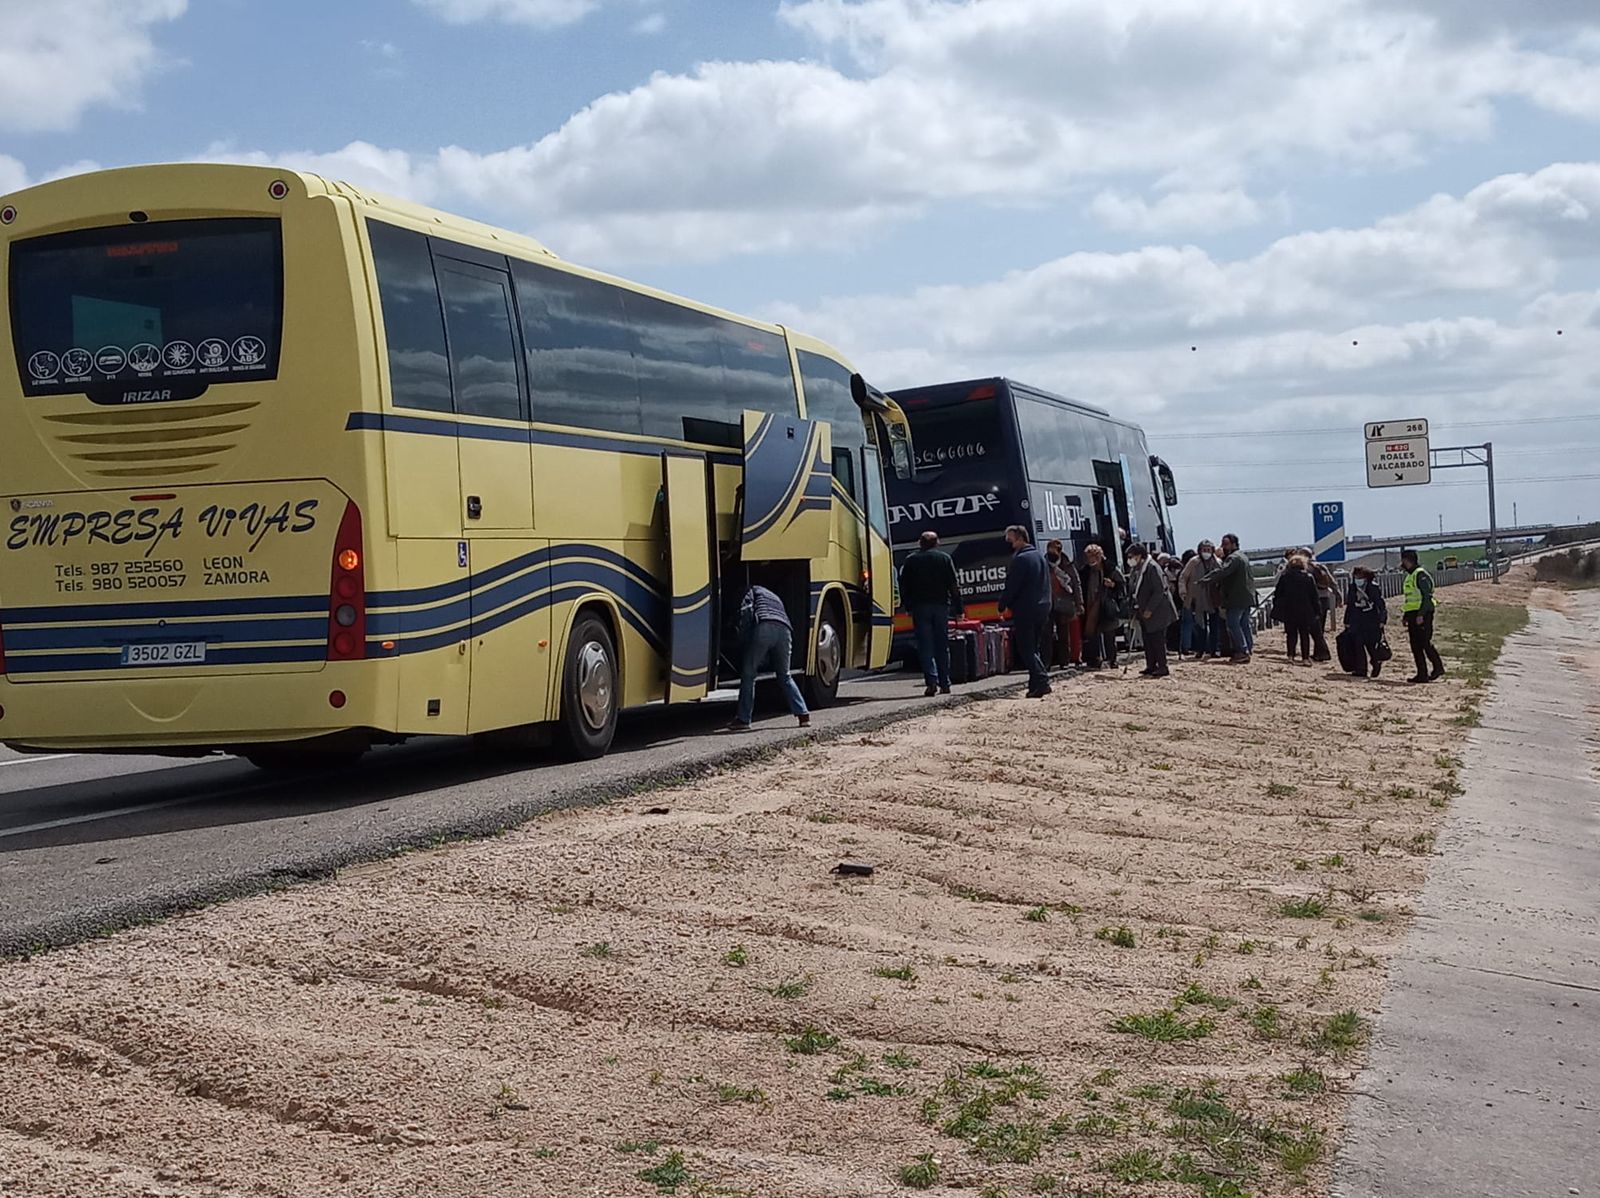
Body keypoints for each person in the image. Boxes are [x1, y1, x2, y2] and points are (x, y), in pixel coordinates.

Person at [726, 583, 810, 731]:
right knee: (785, 675)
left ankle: (743, 719)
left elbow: (746, 612)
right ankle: (803, 715)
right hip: (785, 630)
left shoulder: (751, 591)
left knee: (748, 674)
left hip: (764, 627)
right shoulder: (774, 596)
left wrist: (741, 638)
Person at [898, 529, 965, 696]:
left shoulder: (911, 560)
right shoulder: (944, 558)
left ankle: (931, 682)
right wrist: (959, 609)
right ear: (937, 543)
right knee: (942, 645)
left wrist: (908, 607)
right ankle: (945, 683)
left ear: (920, 543)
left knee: (925, 646)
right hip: (941, 606)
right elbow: (953, 586)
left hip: (920, 608)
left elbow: (904, 586)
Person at [998, 524, 1053, 698]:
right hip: (1043, 606)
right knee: (1034, 646)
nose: (1009, 543)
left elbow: (1012, 585)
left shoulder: (1021, 559)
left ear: (1021, 538)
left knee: (1026, 648)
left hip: (1026, 608)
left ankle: (1042, 681)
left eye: (1011, 539)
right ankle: (1034, 685)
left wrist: (1002, 604)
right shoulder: (1038, 556)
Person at [1128, 543, 1177, 678]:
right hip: (1143, 610)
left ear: (1139, 556)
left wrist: (1149, 609)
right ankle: (1151, 665)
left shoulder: (1152, 568)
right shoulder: (1138, 569)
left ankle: (1162, 666)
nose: (1130, 559)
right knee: (1147, 638)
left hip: (1157, 610)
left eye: (1132, 556)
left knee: (1157, 638)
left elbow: (1159, 591)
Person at [1400, 548, 1446, 683]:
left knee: (1424, 643)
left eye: (1403, 560)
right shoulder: (1410, 575)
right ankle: (1422, 674)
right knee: (1416, 645)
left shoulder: (1420, 574)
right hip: (1414, 614)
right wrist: (1406, 616)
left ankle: (1437, 668)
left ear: (1407, 560)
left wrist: (1421, 615)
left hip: (1423, 613)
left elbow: (1426, 596)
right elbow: (1410, 599)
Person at [1079, 542, 1125, 670]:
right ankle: (1095, 660)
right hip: (1091, 605)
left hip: (1106, 605)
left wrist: (1113, 585)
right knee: (1092, 634)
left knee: (1109, 634)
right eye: (1089, 557)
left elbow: (1122, 586)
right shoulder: (1085, 571)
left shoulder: (1111, 569)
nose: (1091, 560)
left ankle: (1112, 659)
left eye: (1094, 556)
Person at [1213, 533, 1254, 664]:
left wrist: (1206, 579)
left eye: (1226, 544)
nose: (1223, 547)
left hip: (1236, 598)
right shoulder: (1242, 556)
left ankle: (1242, 651)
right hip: (1246, 596)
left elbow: (1223, 572)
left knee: (1233, 624)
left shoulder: (1233, 558)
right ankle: (1248, 648)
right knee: (1243, 624)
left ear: (1233, 544)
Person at [1271, 555, 1321, 663]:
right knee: (1304, 634)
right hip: (1305, 610)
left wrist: (1277, 608)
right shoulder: (1308, 577)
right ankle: (1305, 658)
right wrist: (1317, 611)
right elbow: (1314, 596)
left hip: (1289, 610)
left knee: (1291, 634)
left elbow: (1278, 594)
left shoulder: (1285, 577)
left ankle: (1290, 656)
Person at [1343, 565, 1388, 678]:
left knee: (1371, 645)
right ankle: (1361, 670)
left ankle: (1376, 662)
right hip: (1357, 620)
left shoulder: (1373, 587)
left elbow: (1381, 604)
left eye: (1360, 576)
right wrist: (1346, 620)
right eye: (1356, 576)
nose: (1357, 579)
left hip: (1371, 620)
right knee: (1358, 644)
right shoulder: (1352, 587)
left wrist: (1382, 619)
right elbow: (1350, 605)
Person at [1044, 538, 1082, 668]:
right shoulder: (1043, 564)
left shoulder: (1067, 564)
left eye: (1054, 549)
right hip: (1048, 603)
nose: (1051, 552)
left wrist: (1079, 603)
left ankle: (1064, 661)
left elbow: (1076, 584)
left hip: (1064, 602)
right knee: (1047, 634)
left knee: (1064, 634)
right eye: (1050, 549)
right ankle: (1046, 662)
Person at [1179, 540, 1221, 659]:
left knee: (1214, 625)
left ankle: (1214, 650)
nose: (1206, 552)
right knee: (1200, 625)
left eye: (1208, 550)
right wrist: (1183, 591)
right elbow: (1183, 577)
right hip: (1197, 598)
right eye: (1204, 550)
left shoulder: (1217, 562)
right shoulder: (1193, 562)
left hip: (1213, 598)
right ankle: (1200, 650)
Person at [1306, 551, 1339, 662]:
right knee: (1320, 627)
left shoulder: (1306, 568)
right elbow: (1332, 582)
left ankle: (1324, 652)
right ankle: (1318, 653)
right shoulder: (1321, 566)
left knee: (1314, 629)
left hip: (1313, 601)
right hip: (1324, 599)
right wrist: (1338, 595)